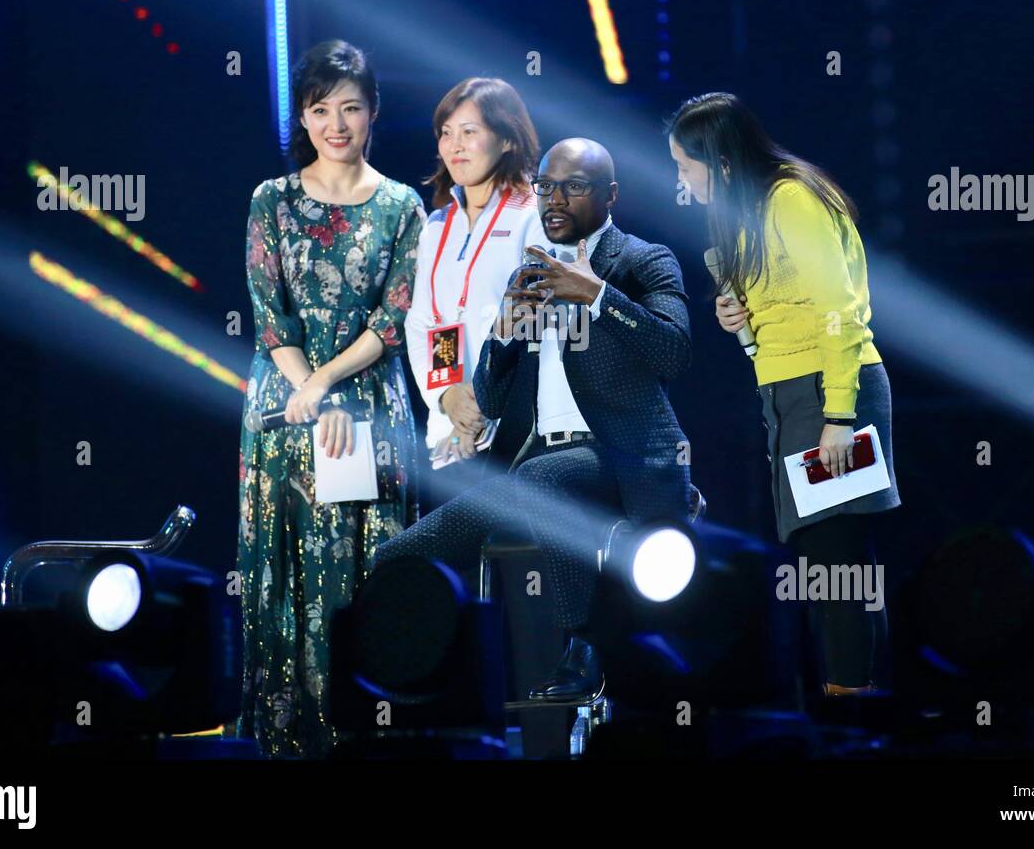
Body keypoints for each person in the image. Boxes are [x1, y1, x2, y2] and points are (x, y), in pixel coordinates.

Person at [376, 137, 693, 702]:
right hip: (538, 458)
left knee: (542, 481)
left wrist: (595, 294)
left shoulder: (643, 261)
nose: (555, 200)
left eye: (574, 187)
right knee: (398, 555)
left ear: (610, 196)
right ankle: (433, 691)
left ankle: (583, 647)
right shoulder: (531, 274)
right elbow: (492, 403)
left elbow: (672, 351)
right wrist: (501, 333)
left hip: (620, 455)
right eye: (546, 186)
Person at [666, 91, 901, 696]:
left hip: (829, 392)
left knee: (837, 567)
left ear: (718, 162)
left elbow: (839, 310)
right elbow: (783, 323)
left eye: (685, 168)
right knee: (825, 566)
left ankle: (855, 710)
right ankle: (852, 704)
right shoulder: (746, 217)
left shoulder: (791, 199)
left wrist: (839, 415)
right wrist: (744, 328)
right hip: (791, 397)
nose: (683, 183)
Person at [236, 40, 424, 756]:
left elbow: (394, 317)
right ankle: (290, 735)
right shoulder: (271, 200)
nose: (336, 124)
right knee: (288, 567)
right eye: (321, 110)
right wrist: (306, 386)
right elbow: (271, 316)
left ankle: (369, 729)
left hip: (368, 400)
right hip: (286, 408)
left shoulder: (403, 205)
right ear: (304, 118)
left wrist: (327, 382)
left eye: (350, 107)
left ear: (373, 112)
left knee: (366, 567)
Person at [404, 78, 544, 511]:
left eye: (469, 132)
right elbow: (429, 320)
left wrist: (483, 397)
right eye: (446, 133)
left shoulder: (534, 214)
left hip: (517, 429)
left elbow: (533, 322)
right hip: (451, 430)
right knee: (453, 571)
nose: (455, 146)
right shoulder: (436, 225)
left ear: (505, 139)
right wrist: (448, 393)